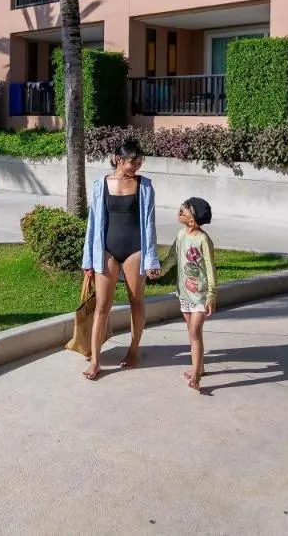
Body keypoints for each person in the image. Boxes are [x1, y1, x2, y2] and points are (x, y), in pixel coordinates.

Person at [81, 138, 160, 380]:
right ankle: (95, 361)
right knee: (103, 306)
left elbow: (149, 224)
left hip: (135, 249)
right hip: (106, 250)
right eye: (132, 162)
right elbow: (93, 224)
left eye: (139, 162)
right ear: (118, 158)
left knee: (136, 300)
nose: (136, 166)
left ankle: (134, 350)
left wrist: (152, 260)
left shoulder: (144, 186)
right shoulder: (100, 185)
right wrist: (88, 262)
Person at [160, 197, 217, 391]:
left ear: (193, 218)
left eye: (185, 209)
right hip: (184, 294)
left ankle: (196, 377)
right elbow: (171, 258)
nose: (180, 210)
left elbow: (210, 269)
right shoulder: (181, 235)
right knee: (192, 332)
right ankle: (199, 367)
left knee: (194, 333)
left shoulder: (203, 239)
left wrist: (212, 295)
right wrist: (159, 271)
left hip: (200, 295)